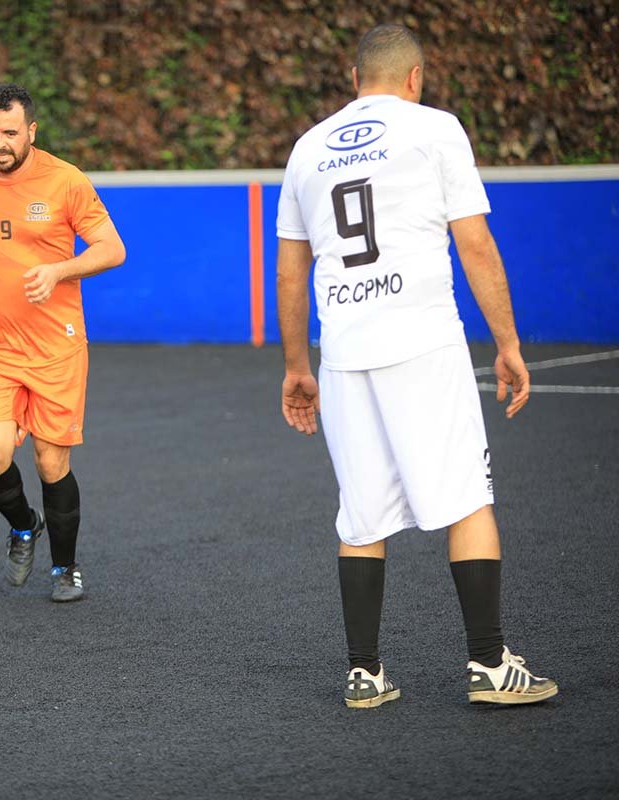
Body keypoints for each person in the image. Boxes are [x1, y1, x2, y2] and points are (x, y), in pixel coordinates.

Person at [275, 24, 557, 707]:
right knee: (467, 498)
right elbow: (475, 242)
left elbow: (288, 272)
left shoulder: (308, 147)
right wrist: (509, 343)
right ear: (415, 77)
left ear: (353, 79)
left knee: (361, 515)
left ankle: (364, 673)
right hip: (423, 341)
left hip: (344, 355)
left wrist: (297, 366)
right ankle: (489, 665)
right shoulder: (436, 128)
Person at [0, 83, 126, 602]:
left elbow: (113, 249)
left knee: (50, 462)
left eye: (9, 133)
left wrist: (60, 270)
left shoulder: (65, 180)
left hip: (56, 348)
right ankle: (24, 525)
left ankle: (65, 568)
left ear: (31, 131)